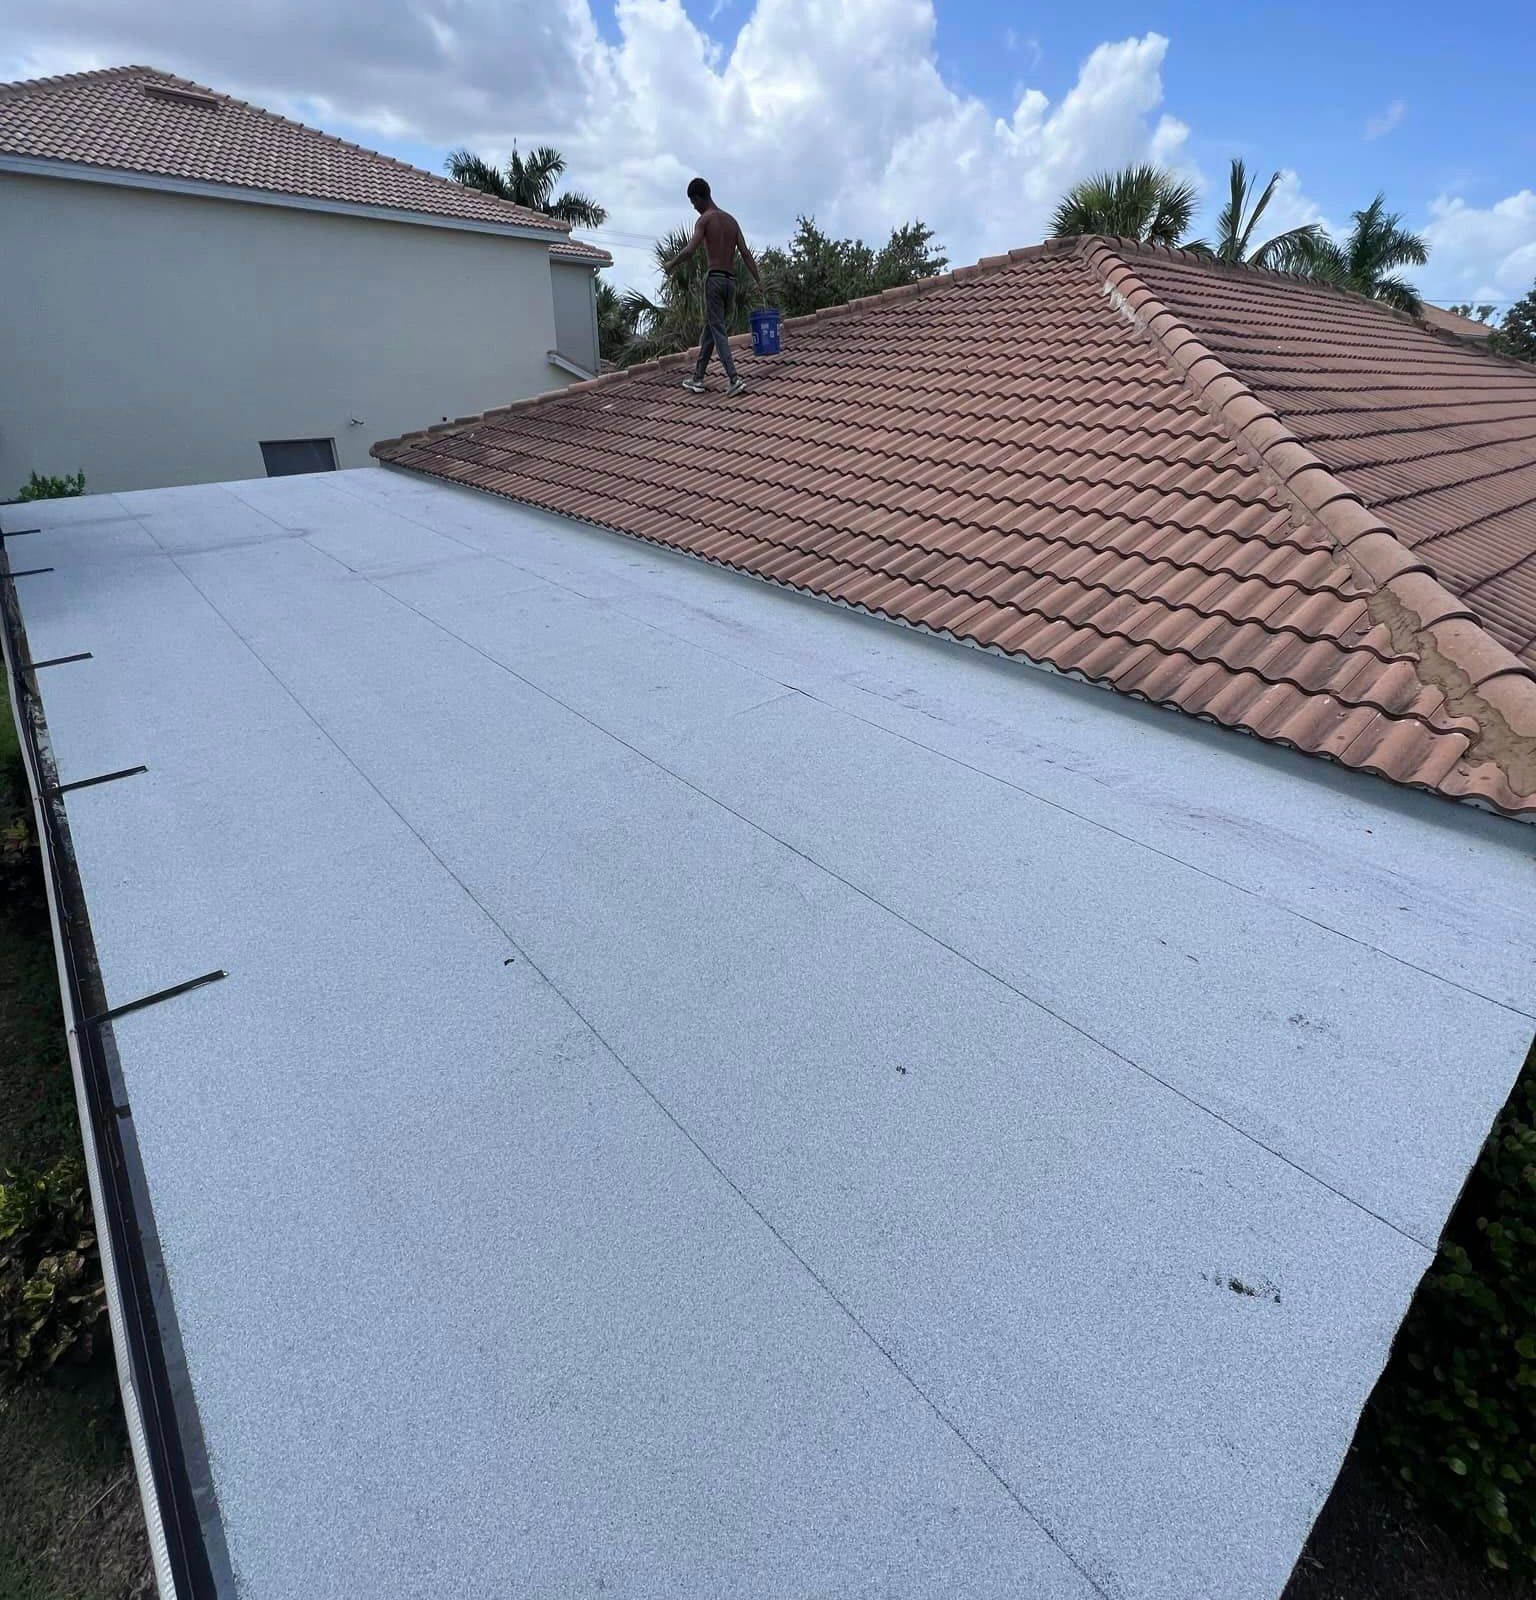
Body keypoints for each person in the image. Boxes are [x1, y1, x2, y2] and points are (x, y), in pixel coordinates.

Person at [663, 177, 764, 397]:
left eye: (693, 202)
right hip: (731, 282)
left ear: (698, 198)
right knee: (711, 326)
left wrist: (672, 264)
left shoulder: (705, 220)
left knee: (717, 330)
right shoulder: (731, 221)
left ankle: (734, 378)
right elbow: (745, 253)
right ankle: (698, 378)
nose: (694, 208)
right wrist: (758, 280)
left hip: (715, 280)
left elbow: (690, 249)